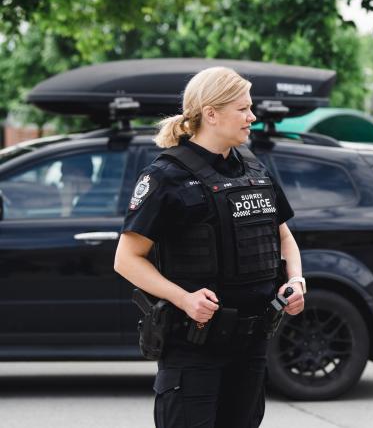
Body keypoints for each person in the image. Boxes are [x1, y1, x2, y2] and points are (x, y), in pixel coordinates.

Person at [114, 66, 306, 428]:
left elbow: (284, 237)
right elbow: (126, 259)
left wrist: (296, 281)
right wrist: (183, 298)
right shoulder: (166, 175)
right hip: (195, 347)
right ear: (212, 113)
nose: (252, 117)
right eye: (243, 109)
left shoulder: (253, 167)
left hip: (251, 346)